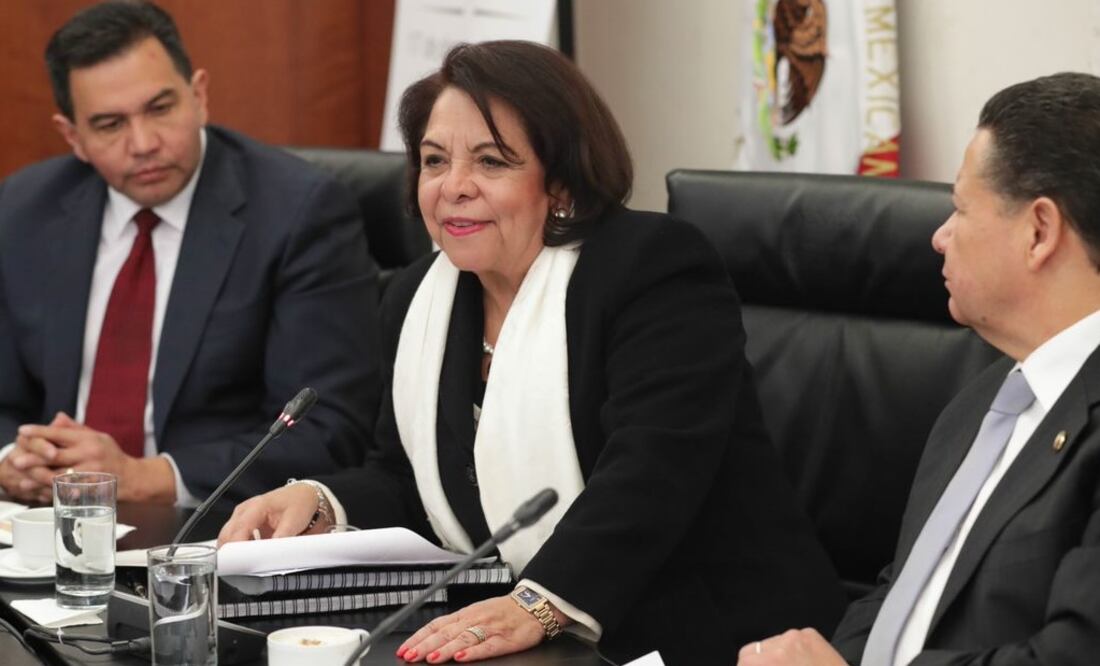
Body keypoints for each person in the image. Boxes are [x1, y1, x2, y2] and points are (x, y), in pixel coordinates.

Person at [219, 40, 845, 664]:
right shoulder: (418, 298)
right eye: (434, 161)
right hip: (532, 635)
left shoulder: (652, 268)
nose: (453, 187)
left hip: (718, 635)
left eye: (491, 162)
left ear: (562, 181)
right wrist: (323, 501)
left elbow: (653, 473)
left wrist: (541, 603)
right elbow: (411, 481)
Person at [737, 72, 1100, 666]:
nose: (939, 236)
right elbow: (903, 595)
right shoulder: (984, 402)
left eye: (960, 208)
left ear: (1039, 231)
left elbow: (1076, 655)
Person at [0, 0, 378, 507]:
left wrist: (147, 476)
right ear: (74, 137)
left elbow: (329, 426)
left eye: (160, 109)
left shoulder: (299, 214)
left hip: (212, 524)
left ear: (198, 96)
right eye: (110, 124)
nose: (143, 143)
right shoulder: (22, 210)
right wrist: (14, 459)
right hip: (46, 519)